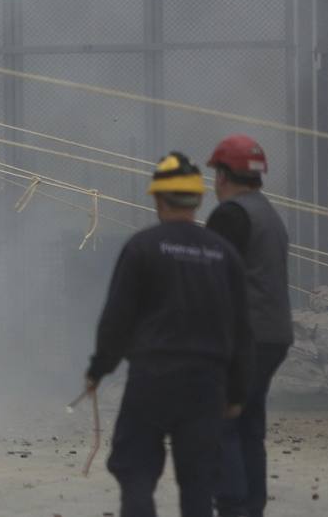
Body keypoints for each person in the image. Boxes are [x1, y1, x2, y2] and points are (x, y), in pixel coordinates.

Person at [85, 152, 252, 517]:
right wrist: (236, 392)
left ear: (158, 199)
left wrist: (99, 368)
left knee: (136, 470)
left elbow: (117, 317)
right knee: (198, 480)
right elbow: (241, 329)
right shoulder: (224, 254)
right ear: (198, 199)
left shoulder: (143, 247)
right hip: (206, 384)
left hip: (152, 380)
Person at [206, 135, 293, 517]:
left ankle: (233, 507)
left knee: (222, 422)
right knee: (248, 425)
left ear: (223, 174)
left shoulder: (231, 215)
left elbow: (210, 276)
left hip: (244, 339)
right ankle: (251, 507)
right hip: (273, 336)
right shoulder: (268, 213)